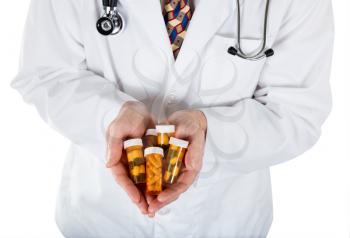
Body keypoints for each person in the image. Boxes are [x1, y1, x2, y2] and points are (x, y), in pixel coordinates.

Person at [11, 0, 334, 237]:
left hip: (225, 222)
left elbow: (296, 110)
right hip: (99, 218)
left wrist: (209, 132)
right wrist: (112, 115)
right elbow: (46, 72)